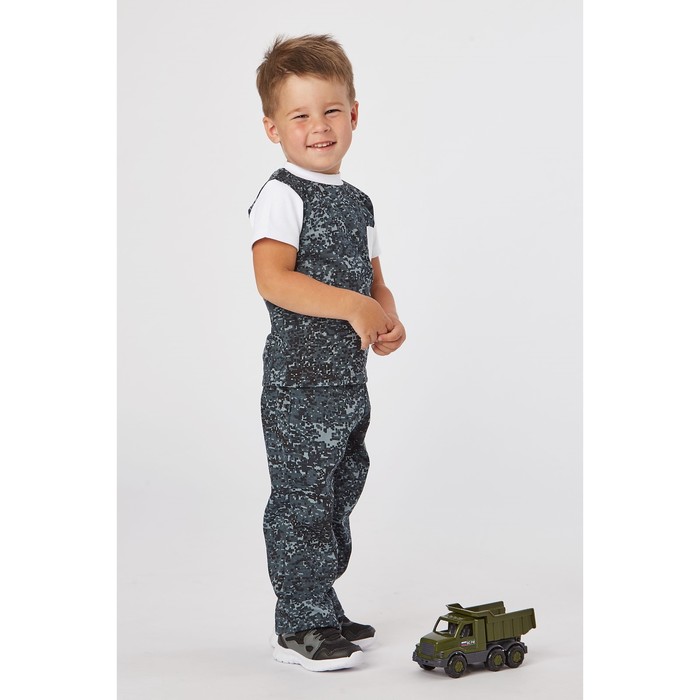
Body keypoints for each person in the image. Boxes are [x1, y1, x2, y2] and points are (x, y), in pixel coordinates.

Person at [249, 34, 406, 672]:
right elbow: (273, 279)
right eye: (300, 115)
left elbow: (374, 280)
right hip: (299, 386)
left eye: (331, 110)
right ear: (273, 128)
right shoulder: (283, 194)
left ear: (354, 114)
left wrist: (384, 315)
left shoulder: (356, 202)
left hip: (347, 384)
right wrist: (351, 307)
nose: (319, 126)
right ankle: (298, 622)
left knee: (341, 490)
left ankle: (321, 601)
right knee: (302, 499)